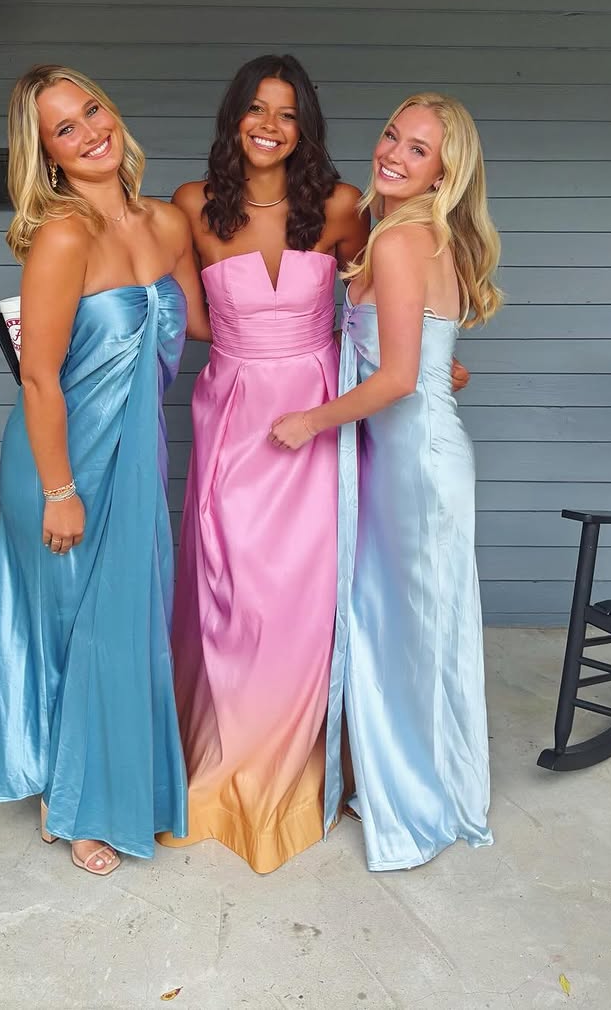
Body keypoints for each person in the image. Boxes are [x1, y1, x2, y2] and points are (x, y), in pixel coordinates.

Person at [0, 64, 208, 876]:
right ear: (46, 154)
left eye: (91, 110)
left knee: (123, 627)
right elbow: (39, 379)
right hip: (63, 463)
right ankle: (75, 801)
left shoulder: (168, 223)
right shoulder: (64, 237)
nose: (89, 133)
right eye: (64, 129)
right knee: (75, 631)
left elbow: (210, 325)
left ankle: (90, 781)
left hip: (136, 455)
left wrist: (353, 329)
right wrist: (59, 491)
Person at [269, 92, 501, 871]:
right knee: (404, 627)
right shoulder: (407, 232)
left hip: (416, 465)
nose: (394, 154)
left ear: (444, 173)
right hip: (403, 458)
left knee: (415, 631)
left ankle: (420, 801)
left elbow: (400, 378)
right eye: (393, 136)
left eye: (418, 149)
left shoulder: (403, 240)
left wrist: (310, 420)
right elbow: (421, 357)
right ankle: (417, 780)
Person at [157, 54, 368, 873]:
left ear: (304, 126)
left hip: (317, 413)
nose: (269, 125)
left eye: (286, 112)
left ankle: (302, 760)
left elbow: (378, 301)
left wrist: (424, 360)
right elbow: (189, 319)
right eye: (256, 108)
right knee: (235, 588)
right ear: (233, 118)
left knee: (305, 594)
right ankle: (228, 752)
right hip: (237, 413)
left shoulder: (342, 206)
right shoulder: (191, 205)